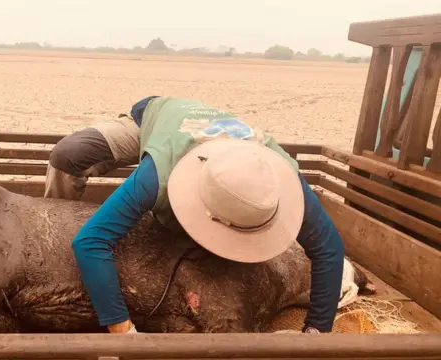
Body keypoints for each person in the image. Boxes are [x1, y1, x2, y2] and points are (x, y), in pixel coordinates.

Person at [44, 96, 345, 334]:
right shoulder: (157, 177)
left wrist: (316, 331)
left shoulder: (283, 177)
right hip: (158, 118)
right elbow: (91, 242)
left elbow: (330, 249)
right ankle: (49, 232)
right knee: (66, 155)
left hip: (218, 139)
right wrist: (123, 331)